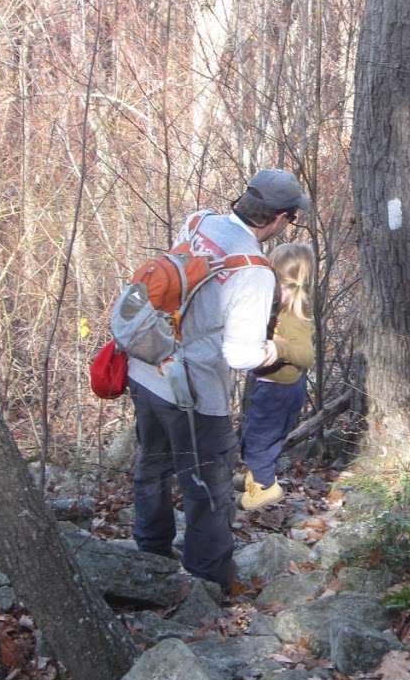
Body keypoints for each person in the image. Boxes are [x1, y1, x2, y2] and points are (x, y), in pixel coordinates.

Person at [126, 168, 311, 590]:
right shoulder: (253, 269)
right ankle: (207, 583)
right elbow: (241, 355)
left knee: (152, 466)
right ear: (281, 219)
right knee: (207, 488)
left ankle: (149, 557)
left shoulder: (197, 220)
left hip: (146, 365)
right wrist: (280, 350)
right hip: (192, 390)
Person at [239, 241, 316, 511]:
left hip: (278, 391)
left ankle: (264, 488)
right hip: (269, 386)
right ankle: (257, 477)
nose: (272, 291)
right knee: (253, 435)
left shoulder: (296, 314)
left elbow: (307, 356)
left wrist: (280, 347)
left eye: (278, 284)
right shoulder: (280, 308)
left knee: (260, 440)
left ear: (296, 285)